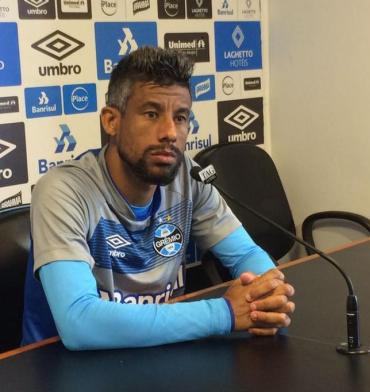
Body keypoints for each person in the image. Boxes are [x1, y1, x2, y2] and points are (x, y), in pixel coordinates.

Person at [22, 46, 295, 350]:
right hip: (59, 367)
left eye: (180, 117)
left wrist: (270, 294)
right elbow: (79, 322)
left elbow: (245, 256)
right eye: (151, 114)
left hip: (153, 353)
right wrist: (225, 313)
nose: (169, 132)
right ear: (112, 121)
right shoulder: (63, 190)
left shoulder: (188, 176)